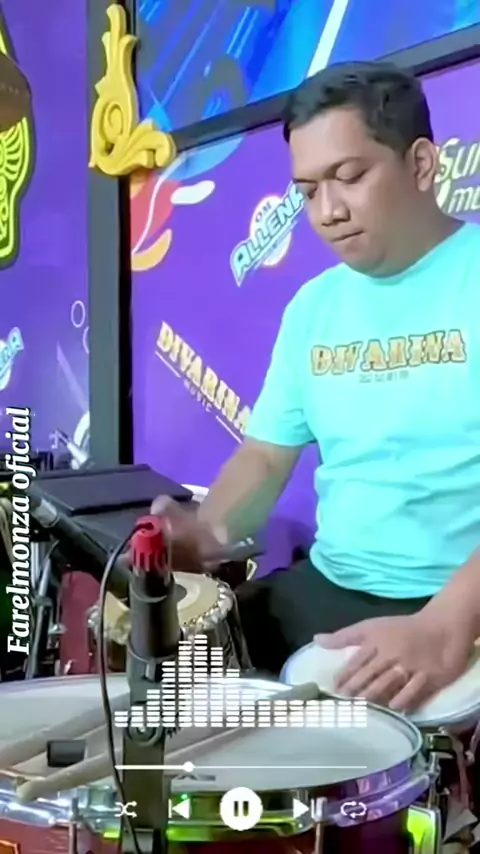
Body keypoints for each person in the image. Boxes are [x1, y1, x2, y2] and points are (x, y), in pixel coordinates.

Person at [151, 61, 480, 713]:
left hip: (458, 601)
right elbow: (265, 456)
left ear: (421, 165)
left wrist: (448, 624)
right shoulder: (313, 306)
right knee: (171, 685)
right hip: (335, 584)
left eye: (350, 177)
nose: (328, 212)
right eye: (307, 191)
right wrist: (207, 531)